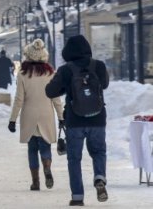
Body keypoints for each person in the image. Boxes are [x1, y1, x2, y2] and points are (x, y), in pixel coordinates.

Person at [45, 35, 109, 206]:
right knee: (99, 152)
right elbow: (105, 84)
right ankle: (100, 177)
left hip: (75, 120)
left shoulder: (66, 70)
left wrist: (66, 87)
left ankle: (77, 196)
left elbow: (50, 92)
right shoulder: (99, 66)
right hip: (97, 118)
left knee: (74, 158)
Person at [8, 39, 64, 192]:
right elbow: (56, 98)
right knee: (45, 146)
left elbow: (19, 99)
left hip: (29, 116)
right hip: (46, 114)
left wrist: (12, 120)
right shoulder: (50, 73)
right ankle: (47, 166)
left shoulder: (23, 74)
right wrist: (61, 117)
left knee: (32, 149)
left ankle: (36, 182)